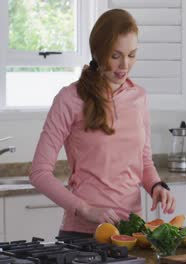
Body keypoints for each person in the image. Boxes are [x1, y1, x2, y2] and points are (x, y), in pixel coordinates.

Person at [29, 9, 175, 237]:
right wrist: (86, 210)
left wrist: (156, 186)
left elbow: (144, 161)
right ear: (98, 52)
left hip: (132, 234)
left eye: (132, 55)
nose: (124, 65)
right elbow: (39, 173)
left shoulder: (139, 97)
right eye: (116, 56)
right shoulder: (70, 99)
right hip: (83, 235)